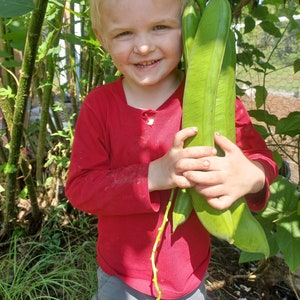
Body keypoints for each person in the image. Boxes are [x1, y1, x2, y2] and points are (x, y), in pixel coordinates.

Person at [65, 0, 278, 299]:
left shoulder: (215, 99)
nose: (142, 47)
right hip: (120, 277)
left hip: (189, 276)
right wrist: (153, 174)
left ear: (185, 31)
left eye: (160, 27)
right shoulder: (99, 107)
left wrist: (252, 176)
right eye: (125, 33)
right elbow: (80, 187)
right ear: (102, 38)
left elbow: (262, 159)